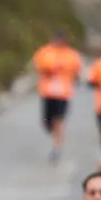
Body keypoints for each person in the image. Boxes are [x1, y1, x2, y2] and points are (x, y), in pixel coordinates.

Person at [31, 31, 83, 164]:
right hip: (48, 92)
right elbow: (37, 66)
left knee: (59, 120)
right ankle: (53, 133)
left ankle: (57, 148)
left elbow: (77, 71)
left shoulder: (71, 55)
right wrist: (49, 69)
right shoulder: (45, 52)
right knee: (47, 122)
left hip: (63, 93)